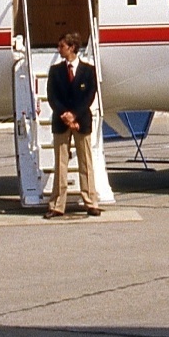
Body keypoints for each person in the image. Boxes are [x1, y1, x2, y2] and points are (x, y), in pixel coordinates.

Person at [44, 32, 100, 219]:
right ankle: (58, 204)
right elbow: (52, 97)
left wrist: (75, 114)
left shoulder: (88, 71)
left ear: (72, 47)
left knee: (86, 162)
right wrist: (65, 116)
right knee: (60, 164)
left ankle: (91, 201)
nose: (59, 49)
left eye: (62, 46)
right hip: (61, 122)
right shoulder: (55, 71)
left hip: (81, 120)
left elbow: (89, 96)